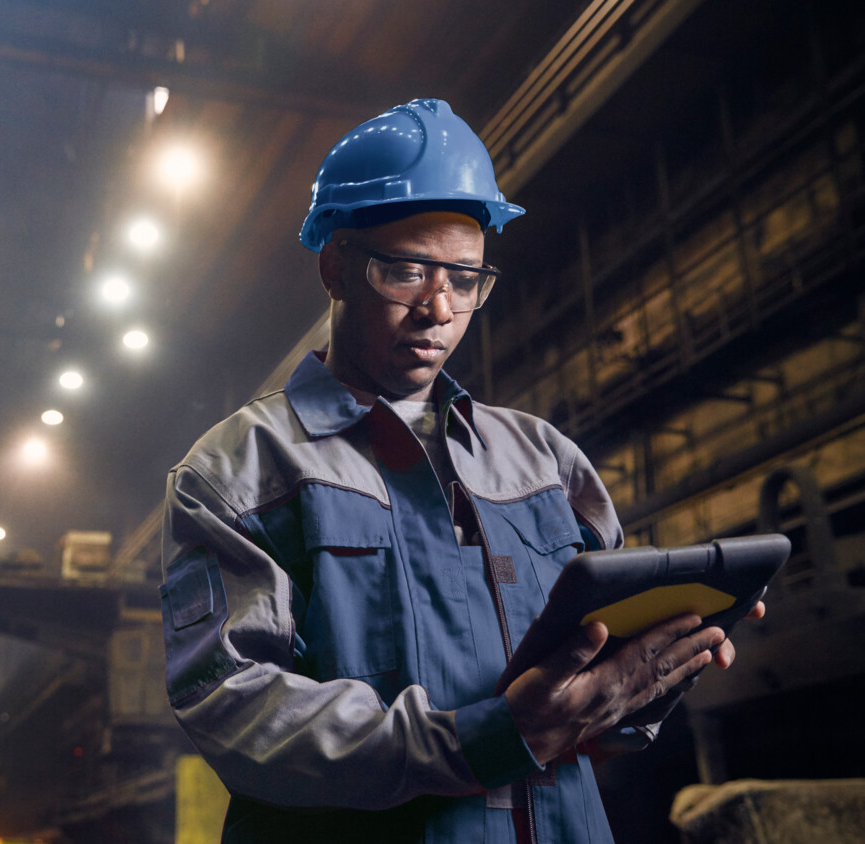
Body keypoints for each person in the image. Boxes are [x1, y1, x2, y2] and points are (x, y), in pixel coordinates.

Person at [159, 98, 761, 843]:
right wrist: (480, 738)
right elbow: (235, 708)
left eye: (465, 278)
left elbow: (592, 715)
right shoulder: (238, 472)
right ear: (337, 268)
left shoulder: (545, 460)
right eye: (406, 272)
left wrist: (650, 679)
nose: (438, 309)